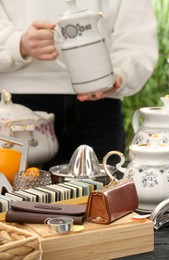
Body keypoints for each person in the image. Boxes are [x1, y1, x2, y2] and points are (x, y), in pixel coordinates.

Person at [0, 0, 158, 168]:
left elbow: (136, 32)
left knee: (103, 190)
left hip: (99, 103)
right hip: (14, 114)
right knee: (17, 192)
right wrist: (18, 44)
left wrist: (121, 72)